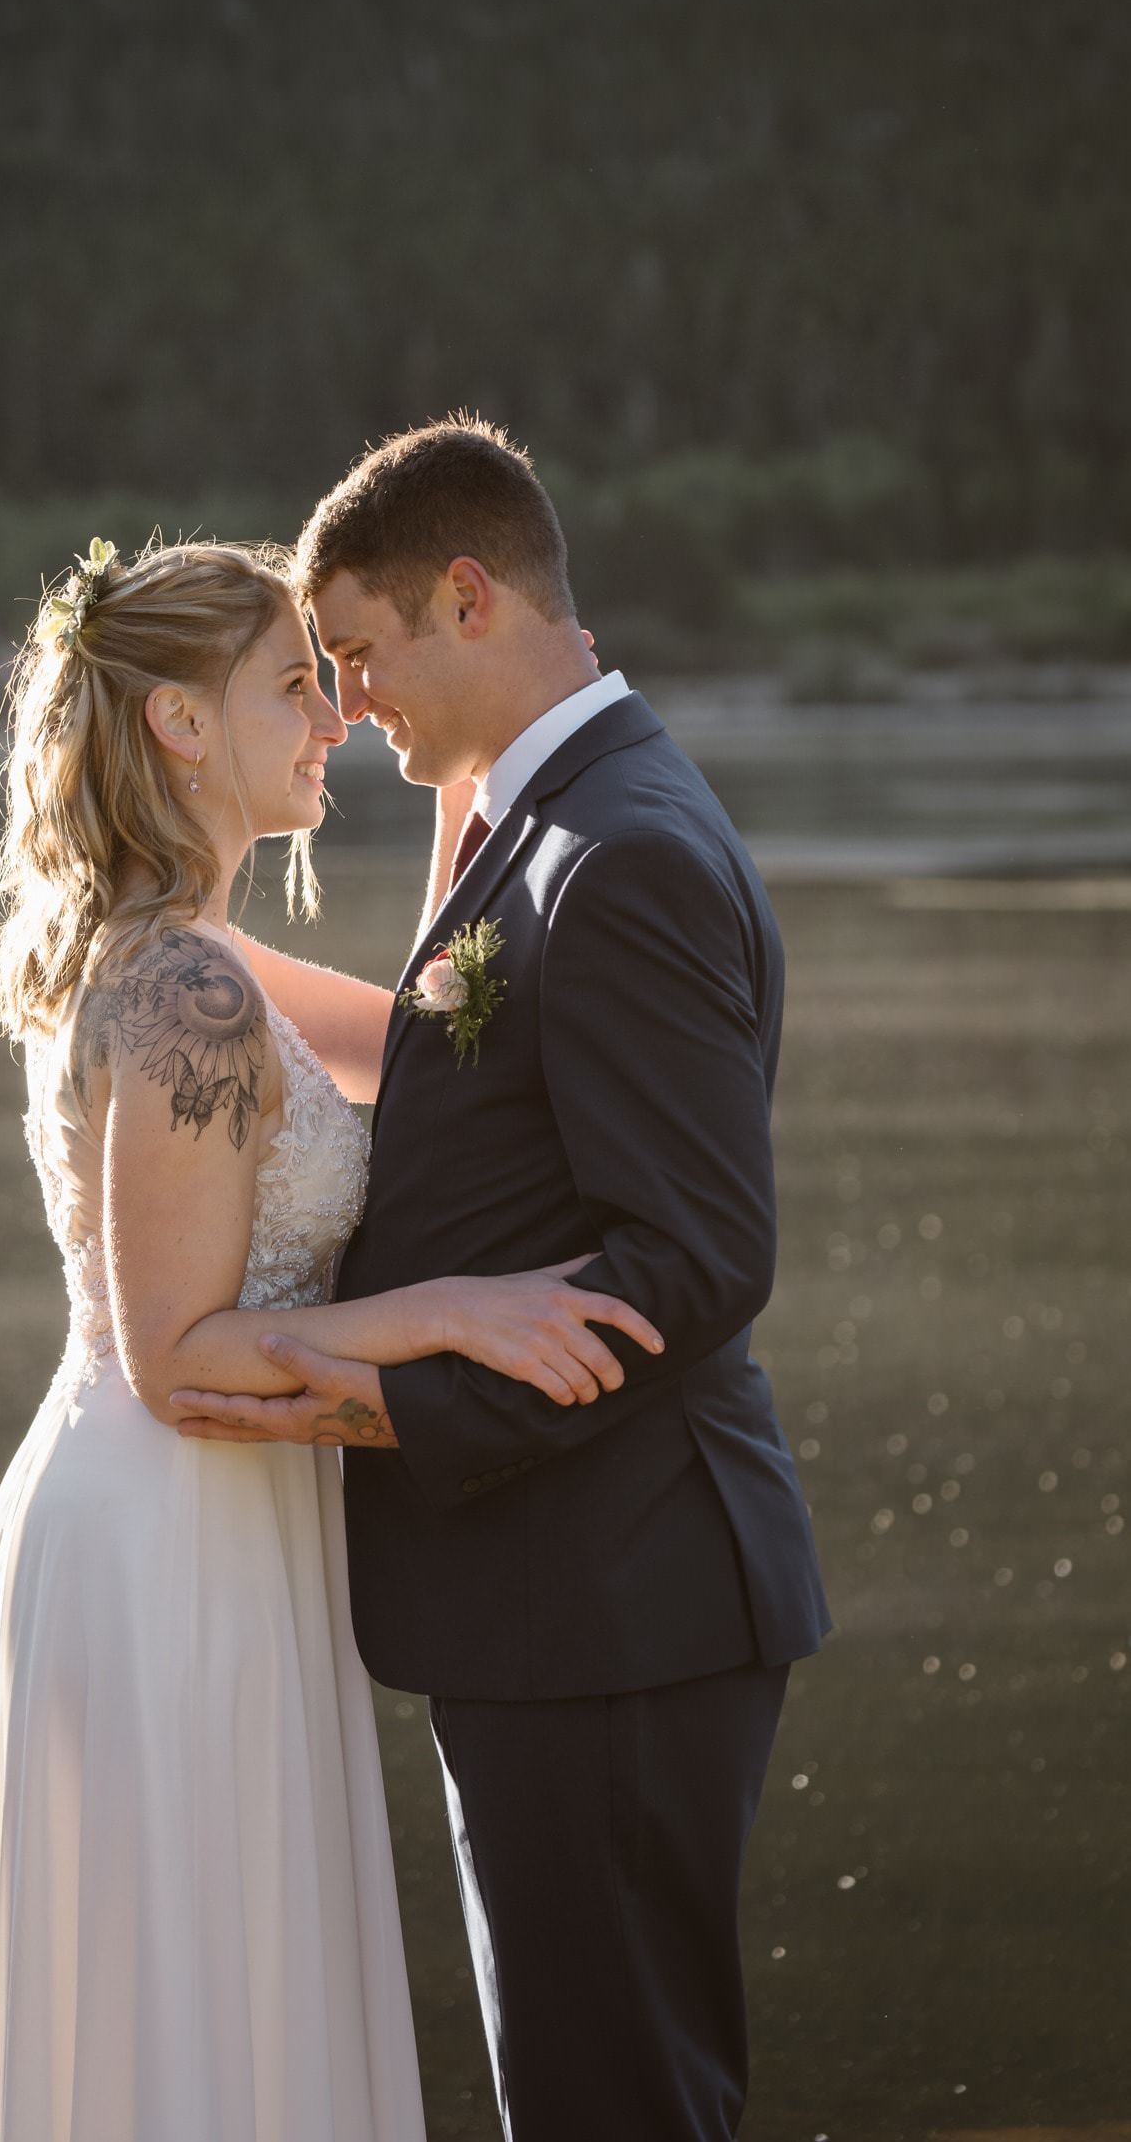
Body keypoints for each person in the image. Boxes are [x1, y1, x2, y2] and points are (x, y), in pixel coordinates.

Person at [0, 533, 665, 2142]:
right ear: (181, 726)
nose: (330, 718)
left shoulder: (204, 958)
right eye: (289, 686)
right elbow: (181, 1356)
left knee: (218, 2003)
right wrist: (460, 1308)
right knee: (184, 2015)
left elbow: (426, 1052)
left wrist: (480, 818)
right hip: (166, 1531)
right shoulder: (180, 987)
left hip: (233, 1526)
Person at [174, 422, 833, 2141]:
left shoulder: (622, 856)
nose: (352, 695)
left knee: (614, 2099)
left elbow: (696, 1252)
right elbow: (472, 1101)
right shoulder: (541, 819)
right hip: (570, 1594)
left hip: (617, 1598)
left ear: (467, 598)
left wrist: (394, 1399)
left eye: (365, 650)